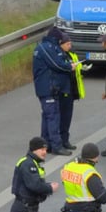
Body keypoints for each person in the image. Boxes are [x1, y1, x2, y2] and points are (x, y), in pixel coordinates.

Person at [32, 26, 75, 155]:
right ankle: (56, 146)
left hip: (48, 89)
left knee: (47, 117)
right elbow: (56, 64)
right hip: (48, 89)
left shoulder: (47, 47)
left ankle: (46, 144)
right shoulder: (46, 48)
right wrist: (69, 67)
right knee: (53, 117)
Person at [60, 39, 90, 152]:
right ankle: (60, 141)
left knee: (67, 118)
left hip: (72, 90)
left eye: (70, 43)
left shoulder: (72, 54)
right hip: (63, 91)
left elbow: (76, 71)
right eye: (67, 44)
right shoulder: (59, 55)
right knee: (61, 118)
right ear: (61, 44)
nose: (70, 46)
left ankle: (65, 140)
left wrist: (82, 68)